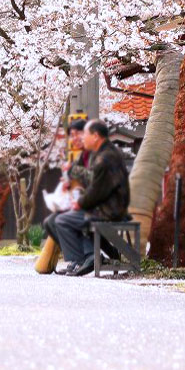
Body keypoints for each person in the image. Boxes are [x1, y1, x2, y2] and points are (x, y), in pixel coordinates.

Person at [53, 119, 131, 277]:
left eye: (85, 135)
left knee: (64, 221)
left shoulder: (104, 158)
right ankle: (95, 256)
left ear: (95, 136)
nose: (82, 139)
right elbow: (94, 185)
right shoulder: (103, 153)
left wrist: (80, 203)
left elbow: (96, 190)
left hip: (110, 209)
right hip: (109, 206)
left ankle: (85, 259)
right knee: (72, 218)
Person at [37, 119, 89, 274]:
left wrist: (72, 173)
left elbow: (95, 180)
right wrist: (68, 182)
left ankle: (83, 259)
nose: (74, 139)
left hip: (94, 204)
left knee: (60, 220)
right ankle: (76, 259)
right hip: (82, 200)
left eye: (76, 134)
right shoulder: (82, 156)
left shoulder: (95, 154)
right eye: (71, 136)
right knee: (50, 222)